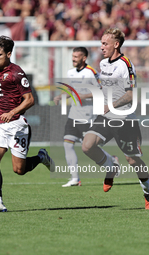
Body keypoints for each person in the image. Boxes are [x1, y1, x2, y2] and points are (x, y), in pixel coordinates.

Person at [81, 28, 149, 210]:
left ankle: (148, 191)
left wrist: (112, 105)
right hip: (106, 116)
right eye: (101, 43)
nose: (101, 47)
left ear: (116, 44)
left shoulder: (125, 65)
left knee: (132, 160)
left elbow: (131, 95)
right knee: (87, 145)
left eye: (105, 44)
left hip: (124, 119)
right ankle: (111, 165)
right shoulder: (104, 63)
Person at [0, 36, 54, 213]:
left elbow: (30, 100)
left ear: (9, 54)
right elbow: (0, 98)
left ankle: (41, 157)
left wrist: (12, 112)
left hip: (17, 125)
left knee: (19, 170)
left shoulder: (16, 73)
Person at [54, 47, 100, 187]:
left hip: (88, 114)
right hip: (74, 114)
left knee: (90, 148)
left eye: (76, 56)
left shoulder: (91, 72)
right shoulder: (71, 72)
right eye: (72, 56)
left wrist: (84, 96)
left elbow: (101, 90)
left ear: (84, 58)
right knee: (67, 144)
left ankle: (112, 160)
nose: (73, 59)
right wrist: (61, 96)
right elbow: (71, 90)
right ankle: (75, 178)